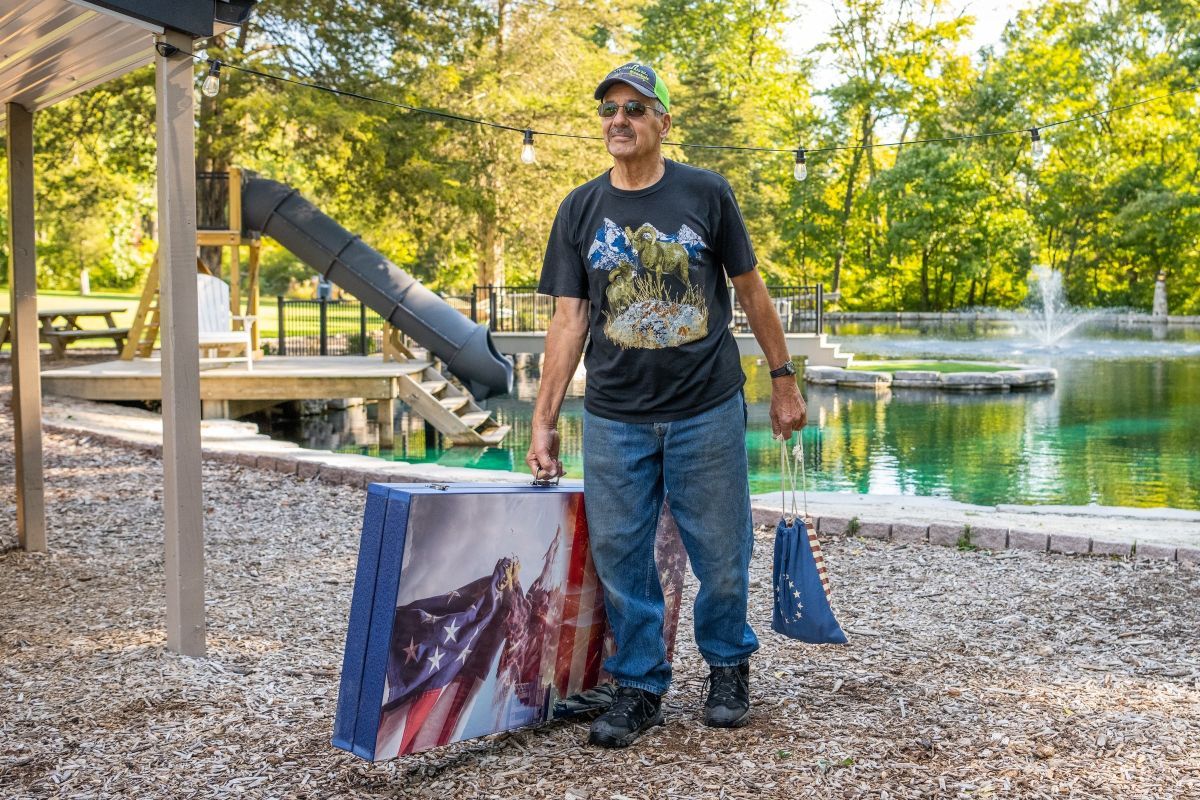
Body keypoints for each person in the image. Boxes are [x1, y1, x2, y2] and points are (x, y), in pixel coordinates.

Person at [527, 62, 807, 748]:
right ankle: (640, 685)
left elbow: (751, 290)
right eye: (608, 110)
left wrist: (783, 377)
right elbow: (570, 320)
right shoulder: (580, 208)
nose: (618, 120)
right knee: (622, 556)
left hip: (705, 408)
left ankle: (727, 667)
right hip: (614, 415)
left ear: (661, 122)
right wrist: (543, 418)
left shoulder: (705, 193)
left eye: (634, 108)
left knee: (721, 549)